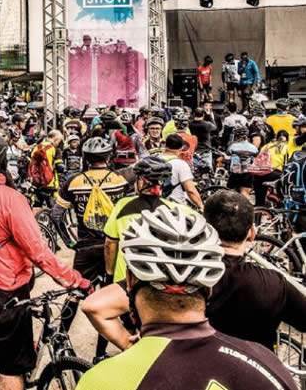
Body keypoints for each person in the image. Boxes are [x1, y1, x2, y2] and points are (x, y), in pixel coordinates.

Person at [76, 204, 297, 390]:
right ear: (208, 287)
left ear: (131, 281)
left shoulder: (100, 381)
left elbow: (94, 306)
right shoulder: (267, 365)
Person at [0, 132, 88, 390]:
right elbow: (38, 251)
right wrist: (74, 280)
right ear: (4, 160)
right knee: (11, 366)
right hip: (7, 292)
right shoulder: (11, 198)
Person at [81, 157, 197, 350]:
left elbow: (110, 244)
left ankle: (130, 349)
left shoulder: (123, 207)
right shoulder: (180, 210)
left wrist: (109, 275)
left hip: (128, 282)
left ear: (141, 181)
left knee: (97, 309)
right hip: (167, 281)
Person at [52, 136, 131, 355]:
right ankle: (100, 353)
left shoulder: (73, 181)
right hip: (113, 247)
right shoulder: (120, 180)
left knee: (75, 293)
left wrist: (69, 241)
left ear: (85, 158)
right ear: (109, 156)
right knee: (109, 301)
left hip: (85, 248)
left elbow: (56, 215)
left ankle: (61, 337)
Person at [204, 190, 306, 349]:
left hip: (199, 369)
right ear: (252, 233)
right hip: (258, 368)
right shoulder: (274, 284)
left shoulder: (188, 277)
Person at [161, 134, 203, 209]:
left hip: (155, 204)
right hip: (175, 207)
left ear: (165, 146)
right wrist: (201, 206)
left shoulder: (154, 159)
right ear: (181, 148)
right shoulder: (181, 164)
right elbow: (191, 191)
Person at [227, 126, 259, 198]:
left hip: (235, 171)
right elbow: (256, 155)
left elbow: (228, 154)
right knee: (245, 193)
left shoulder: (233, 146)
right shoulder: (253, 147)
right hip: (248, 172)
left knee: (231, 194)